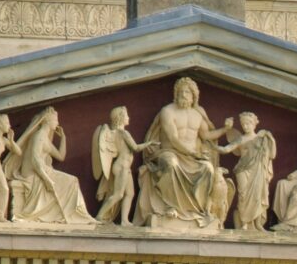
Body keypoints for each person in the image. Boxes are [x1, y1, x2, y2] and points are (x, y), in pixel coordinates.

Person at [140, 77, 230, 227]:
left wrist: (225, 129)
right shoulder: (168, 111)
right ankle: (170, 206)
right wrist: (192, 153)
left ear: (194, 95)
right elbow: (173, 138)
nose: (184, 94)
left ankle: (197, 210)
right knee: (171, 163)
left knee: (207, 168)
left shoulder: (198, 114)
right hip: (169, 152)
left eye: (187, 92)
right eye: (181, 91)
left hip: (192, 157)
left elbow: (206, 136)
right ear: (176, 94)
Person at [9, 106, 89, 225]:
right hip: (35, 172)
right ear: (48, 121)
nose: (57, 123)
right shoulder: (39, 136)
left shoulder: (44, 138)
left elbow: (61, 157)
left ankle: (75, 216)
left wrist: (63, 138)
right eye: (55, 120)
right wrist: (46, 180)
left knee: (72, 181)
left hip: (42, 170)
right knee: (72, 181)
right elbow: (35, 160)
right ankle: (74, 216)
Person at [217, 112, 275, 232]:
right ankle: (244, 223)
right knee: (243, 196)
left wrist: (271, 140)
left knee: (257, 196)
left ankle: (258, 224)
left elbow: (272, 155)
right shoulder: (241, 139)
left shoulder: (262, 139)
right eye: (243, 124)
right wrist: (213, 147)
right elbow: (226, 149)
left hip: (258, 170)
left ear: (254, 124)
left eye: (248, 123)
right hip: (243, 170)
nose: (246, 126)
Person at [93, 105, 143, 225]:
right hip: (122, 167)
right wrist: (150, 143)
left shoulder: (115, 133)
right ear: (120, 117)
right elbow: (136, 148)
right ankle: (99, 216)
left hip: (125, 167)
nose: (128, 117)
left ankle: (124, 220)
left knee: (130, 194)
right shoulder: (123, 133)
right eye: (126, 115)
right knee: (118, 194)